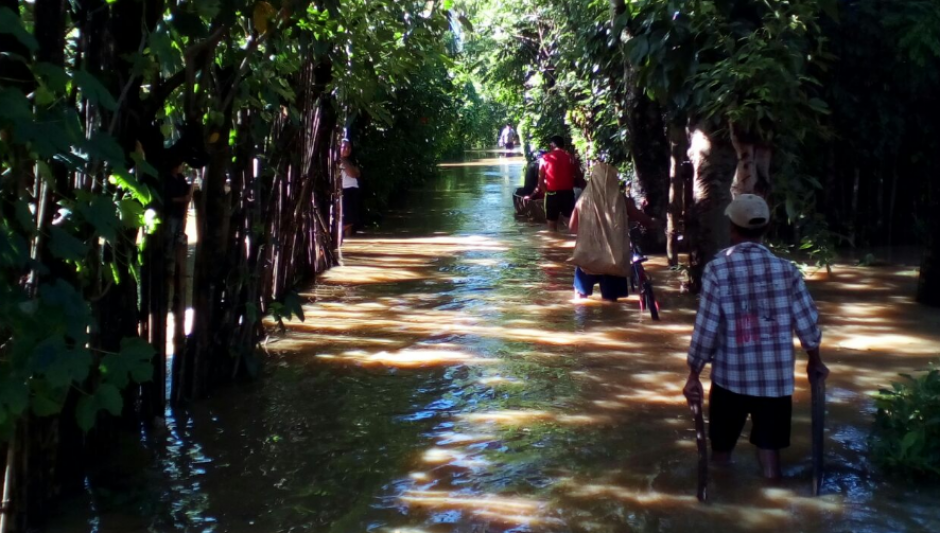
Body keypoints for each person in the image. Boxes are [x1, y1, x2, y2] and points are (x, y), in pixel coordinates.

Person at [682, 194, 829, 480]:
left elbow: (706, 329)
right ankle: (775, 503)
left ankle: (724, 502)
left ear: (732, 228)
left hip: (729, 379)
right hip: (776, 381)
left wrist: (693, 374)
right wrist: (816, 361)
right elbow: (807, 324)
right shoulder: (787, 271)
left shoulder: (717, 270)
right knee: (771, 459)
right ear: (766, 228)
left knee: (721, 457)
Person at [568, 161, 656, 302]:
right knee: (611, 302)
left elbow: (572, 227)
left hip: (587, 258)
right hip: (614, 259)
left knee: (580, 297)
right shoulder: (620, 199)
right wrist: (652, 223)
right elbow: (640, 218)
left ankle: (581, 322)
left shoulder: (584, 199)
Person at [524, 136, 577, 231]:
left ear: (552, 145)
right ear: (563, 145)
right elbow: (578, 178)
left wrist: (546, 194)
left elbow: (540, 182)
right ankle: (574, 245)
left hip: (553, 195)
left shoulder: (545, 158)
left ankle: (554, 245)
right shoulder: (571, 158)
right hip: (568, 194)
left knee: (551, 228)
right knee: (572, 227)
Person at [338, 138, 362, 239]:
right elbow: (353, 173)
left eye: (348, 147)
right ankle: (336, 234)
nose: (346, 149)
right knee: (348, 219)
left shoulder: (351, 161)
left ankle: (347, 241)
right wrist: (343, 160)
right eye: (344, 147)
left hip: (353, 190)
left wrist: (345, 162)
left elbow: (357, 174)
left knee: (352, 219)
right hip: (345, 191)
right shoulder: (337, 160)